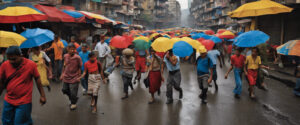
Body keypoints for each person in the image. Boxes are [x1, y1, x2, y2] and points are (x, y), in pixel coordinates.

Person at [0, 46, 46, 125]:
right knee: (6, 121)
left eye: (14, 59)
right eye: (9, 59)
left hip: (24, 101)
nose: (11, 61)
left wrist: (42, 95)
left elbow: (37, 79)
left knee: (19, 122)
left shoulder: (31, 65)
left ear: (21, 55)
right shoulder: (4, 65)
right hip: (9, 100)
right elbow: (1, 82)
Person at [61, 43, 82, 110]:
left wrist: (79, 77)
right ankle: (73, 98)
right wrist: (62, 74)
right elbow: (64, 65)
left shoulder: (77, 57)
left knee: (73, 92)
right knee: (64, 89)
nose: (72, 50)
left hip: (75, 76)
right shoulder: (65, 56)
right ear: (68, 49)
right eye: (71, 49)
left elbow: (80, 67)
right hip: (66, 76)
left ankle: (73, 103)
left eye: (73, 49)